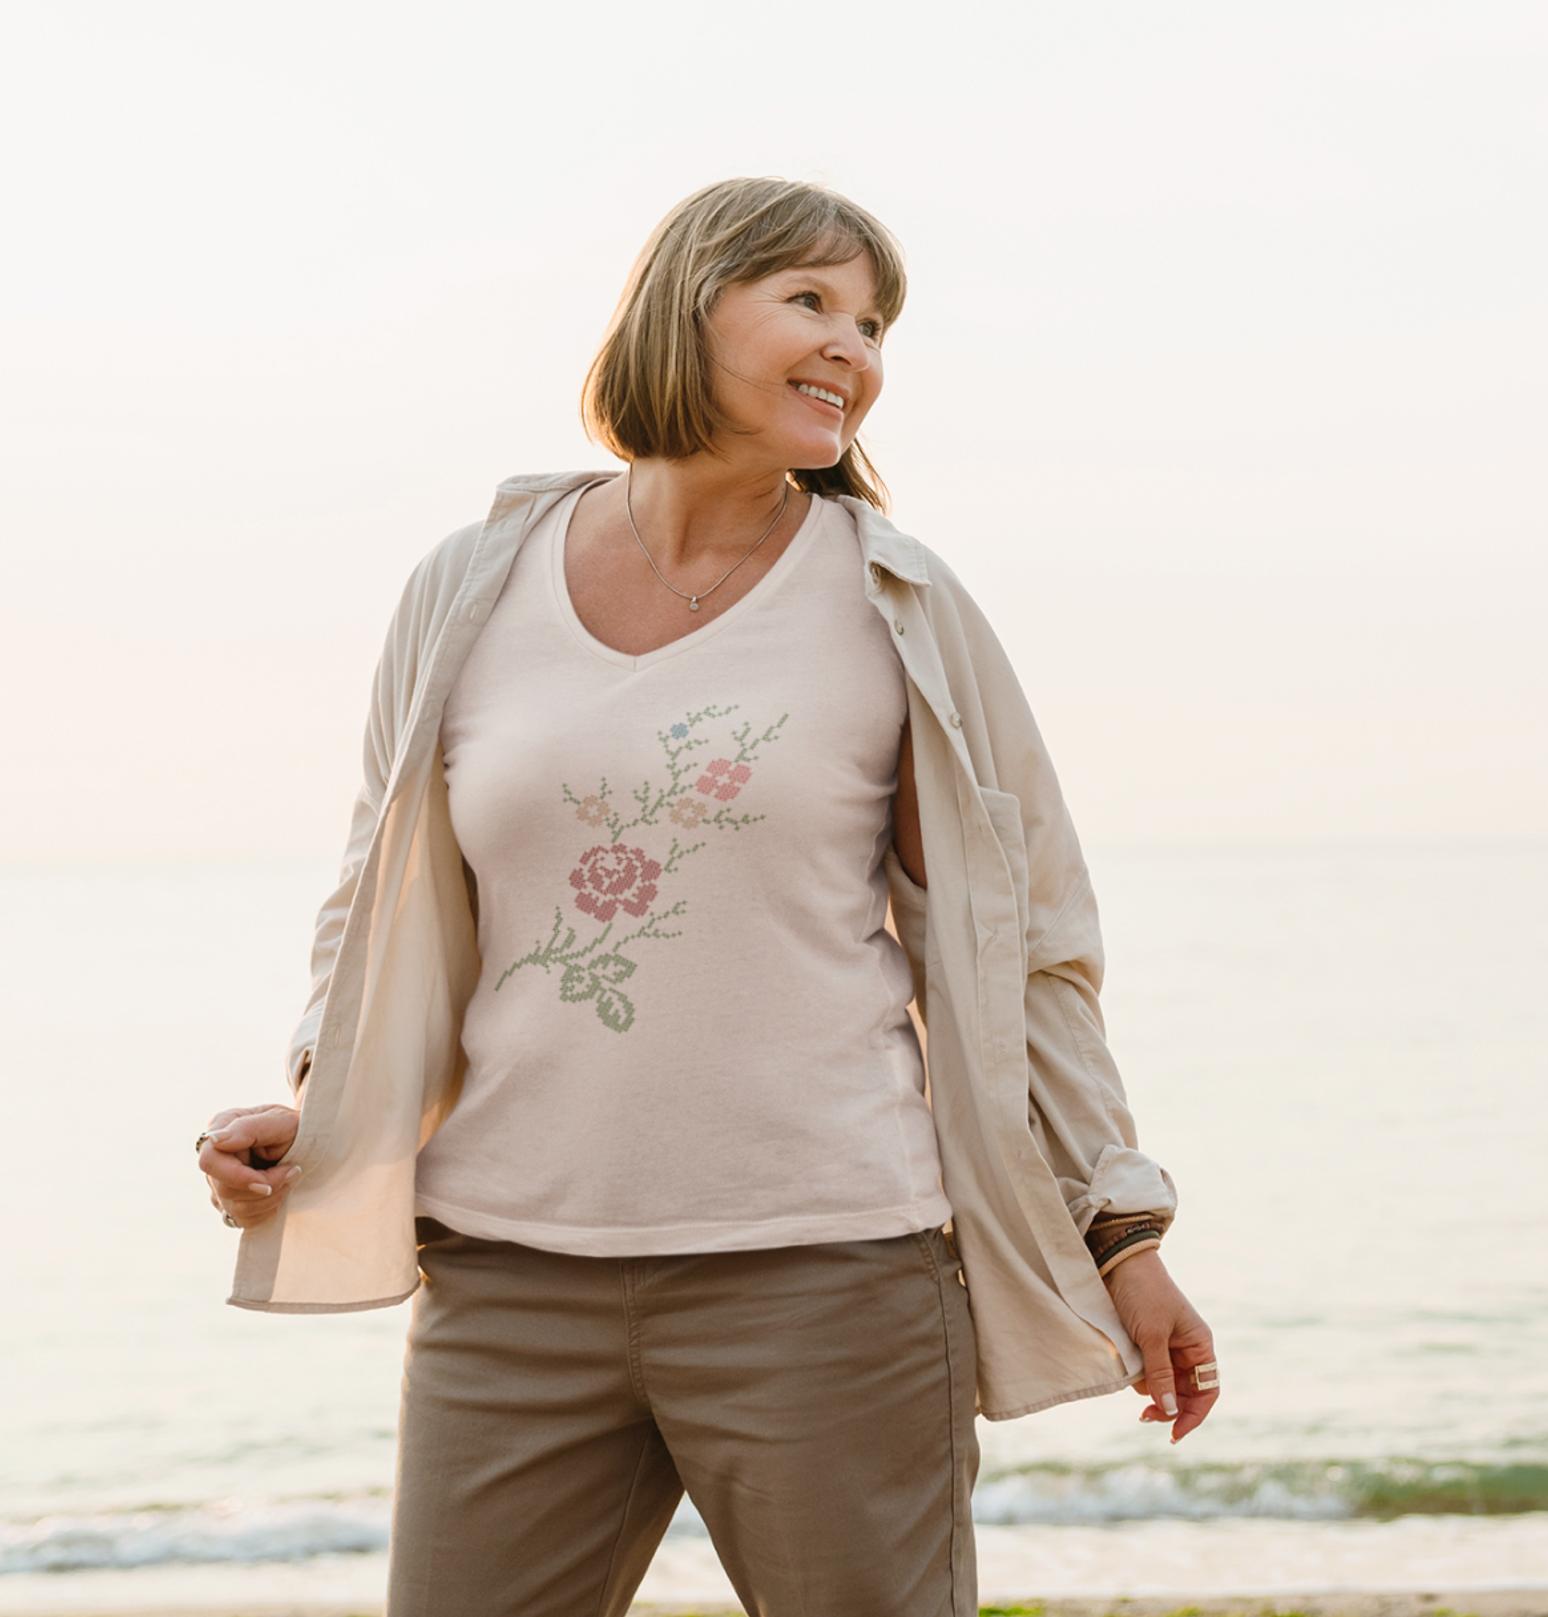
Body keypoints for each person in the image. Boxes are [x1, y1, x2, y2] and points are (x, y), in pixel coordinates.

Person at [183, 177, 1227, 1616]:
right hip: (508, 1280)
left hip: (827, 1278)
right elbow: (382, 900)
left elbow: (1024, 943)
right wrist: (319, 1095)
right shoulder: (470, 589)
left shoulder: (897, 606)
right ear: (688, 306)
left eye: (872, 322)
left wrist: (1126, 1227)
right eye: (811, 301)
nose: (853, 347)